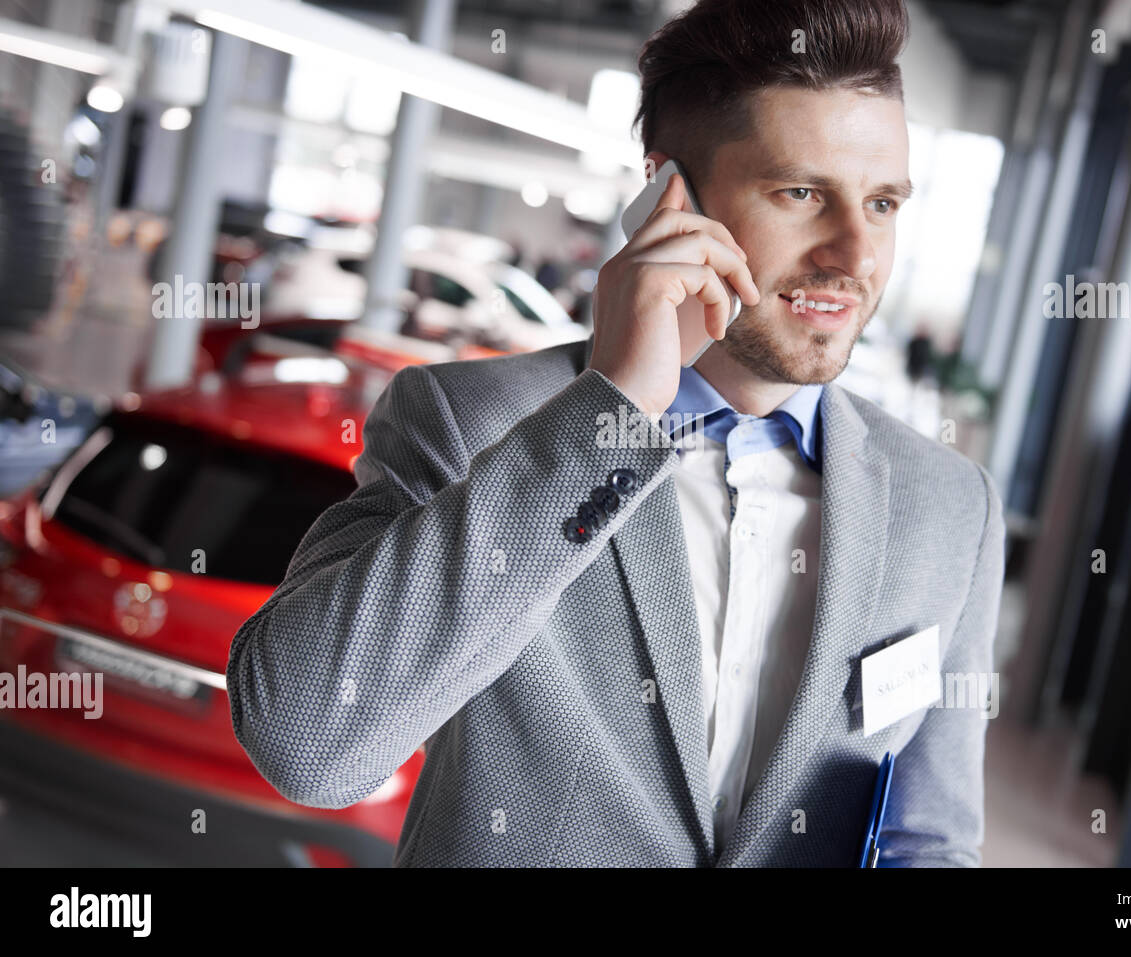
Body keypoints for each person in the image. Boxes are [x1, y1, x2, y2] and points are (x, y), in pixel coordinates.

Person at [227, 0, 1005, 867]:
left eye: (884, 203)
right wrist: (615, 414)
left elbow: (929, 842)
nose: (855, 255)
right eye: (801, 193)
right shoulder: (468, 420)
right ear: (667, 194)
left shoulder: (950, 507)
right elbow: (306, 738)